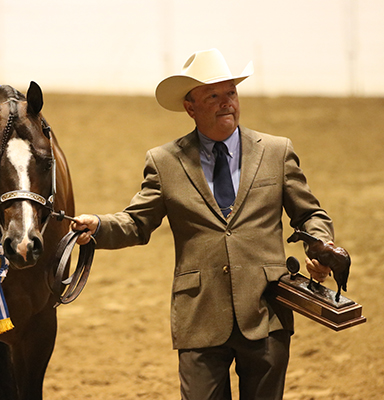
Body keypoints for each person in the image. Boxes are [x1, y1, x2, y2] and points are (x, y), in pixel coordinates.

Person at [72, 48, 340, 400]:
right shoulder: (164, 162)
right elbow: (137, 223)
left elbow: (309, 215)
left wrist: (321, 247)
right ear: (190, 107)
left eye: (231, 92)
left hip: (266, 311)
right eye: (213, 95)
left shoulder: (276, 151)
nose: (226, 102)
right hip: (199, 314)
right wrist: (98, 226)